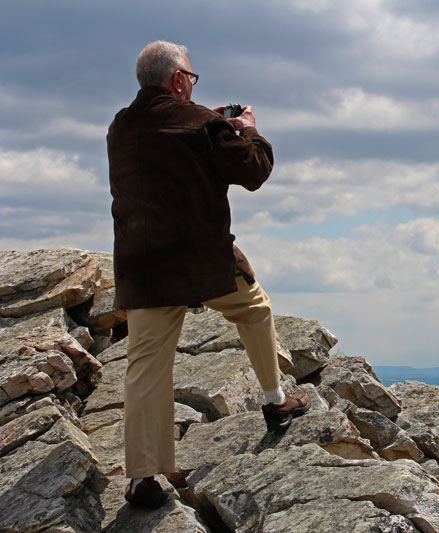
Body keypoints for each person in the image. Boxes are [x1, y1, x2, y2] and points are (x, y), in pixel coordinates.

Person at [107, 40, 309, 509]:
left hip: (143, 269)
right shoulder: (202, 123)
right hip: (204, 263)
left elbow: (170, 150)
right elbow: (254, 171)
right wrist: (247, 129)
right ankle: (274, 401)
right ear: (179, 80)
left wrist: (213, 121)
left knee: (146, 367)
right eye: (190, 79)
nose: (192, 85)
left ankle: (141, 479)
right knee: (256, 311)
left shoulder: (120, 126)